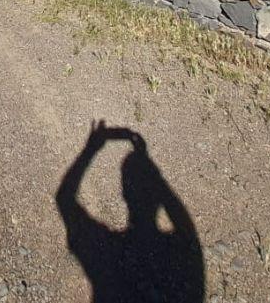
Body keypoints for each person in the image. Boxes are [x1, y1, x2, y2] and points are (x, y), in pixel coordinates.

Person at [56, 121, 205, 303]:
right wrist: (156, 179)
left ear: (124, 194)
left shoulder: (108, 247)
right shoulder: (177, 249)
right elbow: (185, 226)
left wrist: (91, 148)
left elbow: (64, 199)